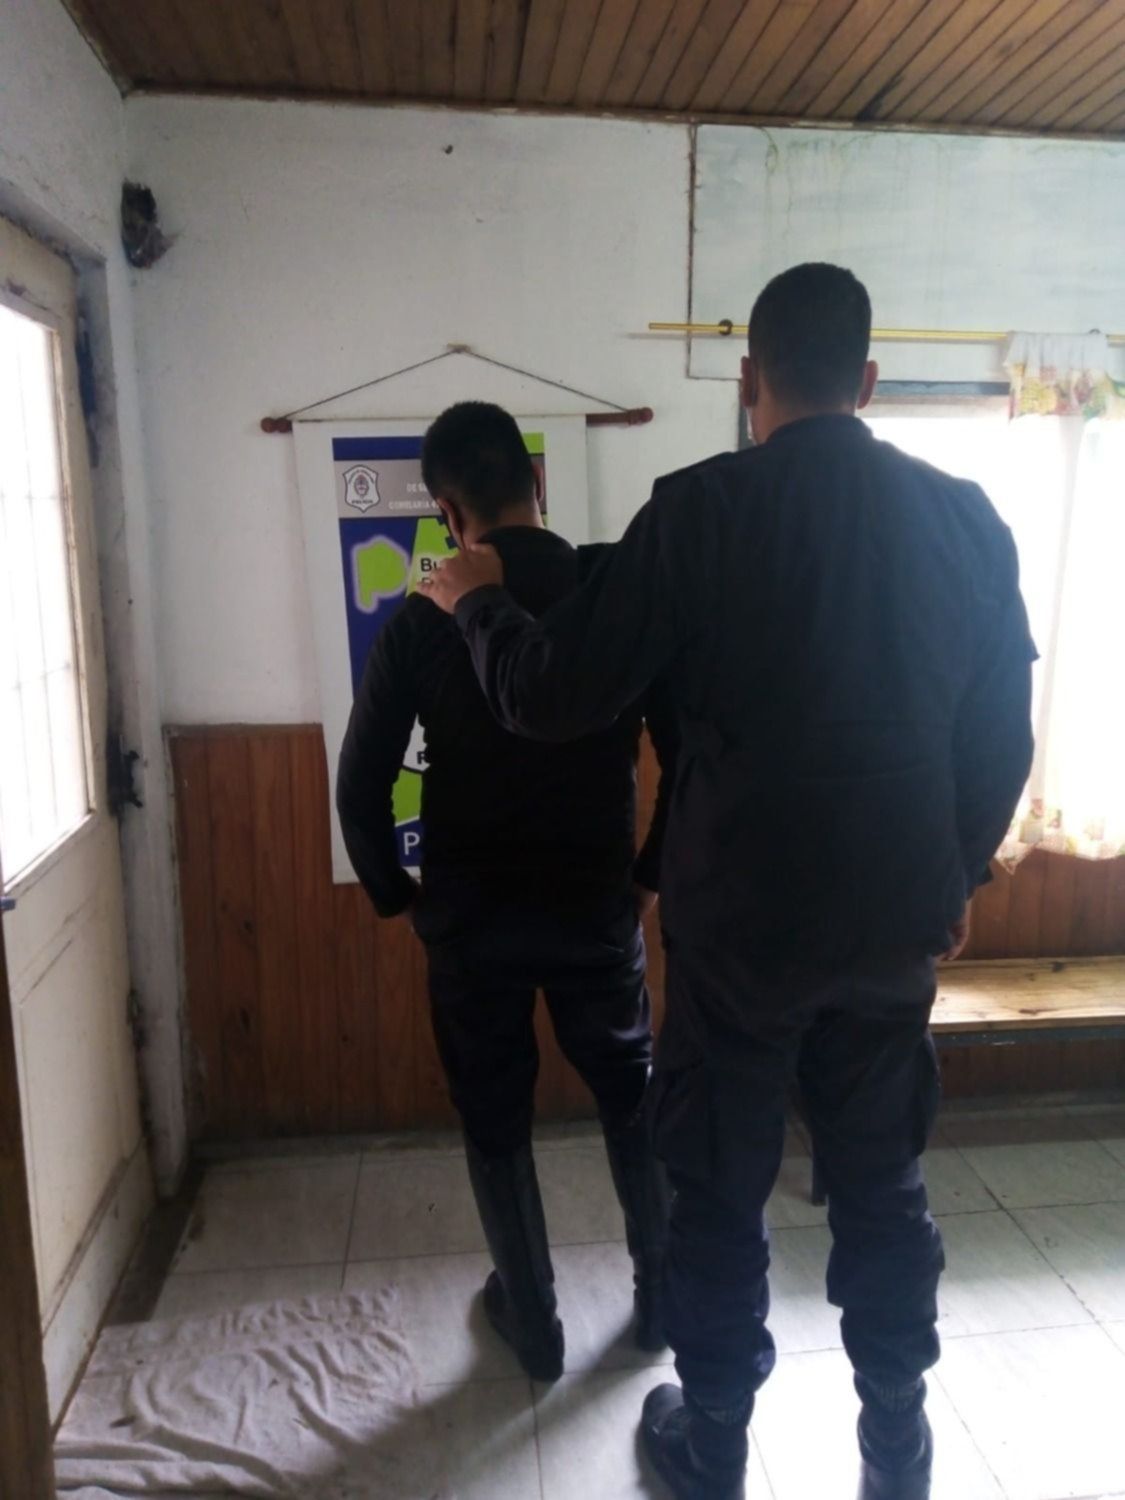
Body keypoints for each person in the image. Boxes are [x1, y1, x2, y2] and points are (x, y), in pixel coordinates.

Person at [419, 265, 1035, 1500]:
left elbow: (551, 695)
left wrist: (481, 605)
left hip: (739, 935)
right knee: (883, 1187)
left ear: (750, 381)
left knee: (717, 1195)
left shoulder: (696, 512)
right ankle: (898, 1455)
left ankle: (712, 1450)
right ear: (868, 381)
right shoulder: (967, 517)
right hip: (892, 923)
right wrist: (957, 871)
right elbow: (1001, 738)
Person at [336, 400, 677, 1383]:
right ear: (538, 486)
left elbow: (360, 786)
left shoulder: (420, 622)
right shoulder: (610, 597)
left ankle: (533, 1323)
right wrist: (646, 879)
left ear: (448, 514)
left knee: (494, 1117)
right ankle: (661, 1300)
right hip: (595, 909)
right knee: (631, 1097)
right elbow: (685, 756)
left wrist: (400, 900)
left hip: (472, 922)